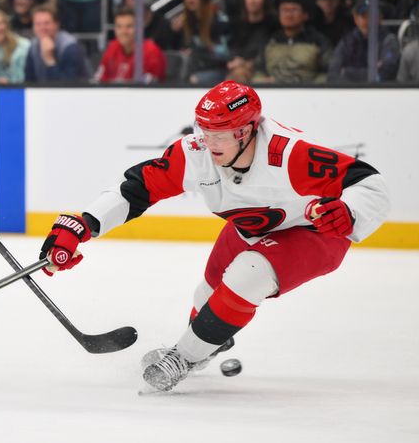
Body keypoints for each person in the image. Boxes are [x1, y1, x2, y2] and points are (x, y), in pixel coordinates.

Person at [39, 80, 389, 392]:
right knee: (208, 296)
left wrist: (350, 212)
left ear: (249, 130)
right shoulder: (196, 152)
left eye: (220, 134)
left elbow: (371, 184)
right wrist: (83, 224)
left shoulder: (290, 154)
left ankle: (184, 357)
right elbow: (137, 189)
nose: (210, 143)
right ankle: (208, 343)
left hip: (314, 234)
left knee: (248, 275)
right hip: (250, 227)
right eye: (205, 132)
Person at [253, 0, 331, 83]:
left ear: (305, 15)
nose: (289, 15)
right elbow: (258, 70)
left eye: (294, 10)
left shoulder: (318, 42)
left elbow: (327, 73)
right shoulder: (270, 41)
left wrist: (312, 88)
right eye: (284, 10)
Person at [328, 0, 400, 83]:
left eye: (373, 16)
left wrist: (347, 72)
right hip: (349, 93)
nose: (369, 21)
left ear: (380, 18)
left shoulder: (389, 41)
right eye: (364, 17)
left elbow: (387, 73)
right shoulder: (346, 42)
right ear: (356, 19)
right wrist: (372, 71)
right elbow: (333, 74)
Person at [95, 7, 166, 83]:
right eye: (119, 27)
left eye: (129, 26)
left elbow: (151, 89)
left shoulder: (151, 52)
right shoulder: (112, 47)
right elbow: (99, 80)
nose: (123, 32)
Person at [225, 0, 278, 83]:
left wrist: (246, 62)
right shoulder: (238, 24)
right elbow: (232, 48)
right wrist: (233, 59)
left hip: (263, 68)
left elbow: (269, 52)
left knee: (238, 75)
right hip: (239, 68)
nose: (252, 0)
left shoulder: (273, 25)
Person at [24, 4, 91, 82]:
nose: (42, 28)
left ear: (56, 25)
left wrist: (49, 59)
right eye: (38, 24)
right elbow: (29, 81)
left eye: (47, 23)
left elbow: (67, 86)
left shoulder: (70, 48)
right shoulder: (33, 46)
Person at [0, 8, 30, 84]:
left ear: (7, 25)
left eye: (0, 23)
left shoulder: (23, 46)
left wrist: (8, 82)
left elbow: (23, 80)